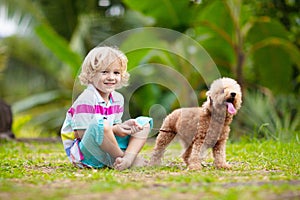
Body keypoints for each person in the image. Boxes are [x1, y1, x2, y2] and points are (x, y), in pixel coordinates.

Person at [61, 46, 153, 170]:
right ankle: (123, 159)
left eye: (116, 73)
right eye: (104, 72)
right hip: (86, 155)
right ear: (91, 75)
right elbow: (81, 134)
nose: (111, 77)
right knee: (101, 124)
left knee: (144, 122)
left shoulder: (117, 98)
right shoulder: (86, 99)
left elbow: (114, 129)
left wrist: (124, 126)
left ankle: (128, 158)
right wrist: (114, 129)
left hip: (107, 149)